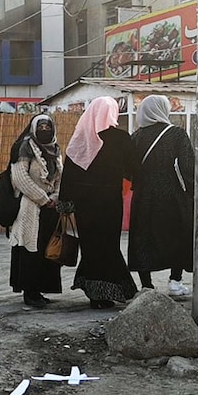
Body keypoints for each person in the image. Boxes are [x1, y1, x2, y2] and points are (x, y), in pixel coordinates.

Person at [60, 96, 141, 308]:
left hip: (84, 206)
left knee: (90, 247)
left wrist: (65, 204)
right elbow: (134, 169)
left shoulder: (80, 139)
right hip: (109, 203)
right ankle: (113, 289)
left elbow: (68, 175)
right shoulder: (121, 139)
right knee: (109, 245)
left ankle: (97, 294)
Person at [128, 95, 194, 295]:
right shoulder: (176, 134)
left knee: (143, 236)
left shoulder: (136, 137)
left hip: (143, 194)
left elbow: (127, 168)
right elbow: (187, 167)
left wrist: (139, 181)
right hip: (170, 192)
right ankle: (175, 281)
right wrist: (192, 192)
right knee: (177, 233)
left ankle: (146, 285)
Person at [8, 114, 63, 309]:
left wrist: (55, 197)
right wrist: (42, 198)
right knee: (30, 250)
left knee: (46, 251)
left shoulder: (55, 149)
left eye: (49, 127)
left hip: (50, 209)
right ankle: (29, 292)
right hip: (30, 208)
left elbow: (59, 177)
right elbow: (19, 178)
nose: (45, 131)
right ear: (34, 128)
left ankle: (40, 289)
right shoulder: (24, 148)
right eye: (42, 127)